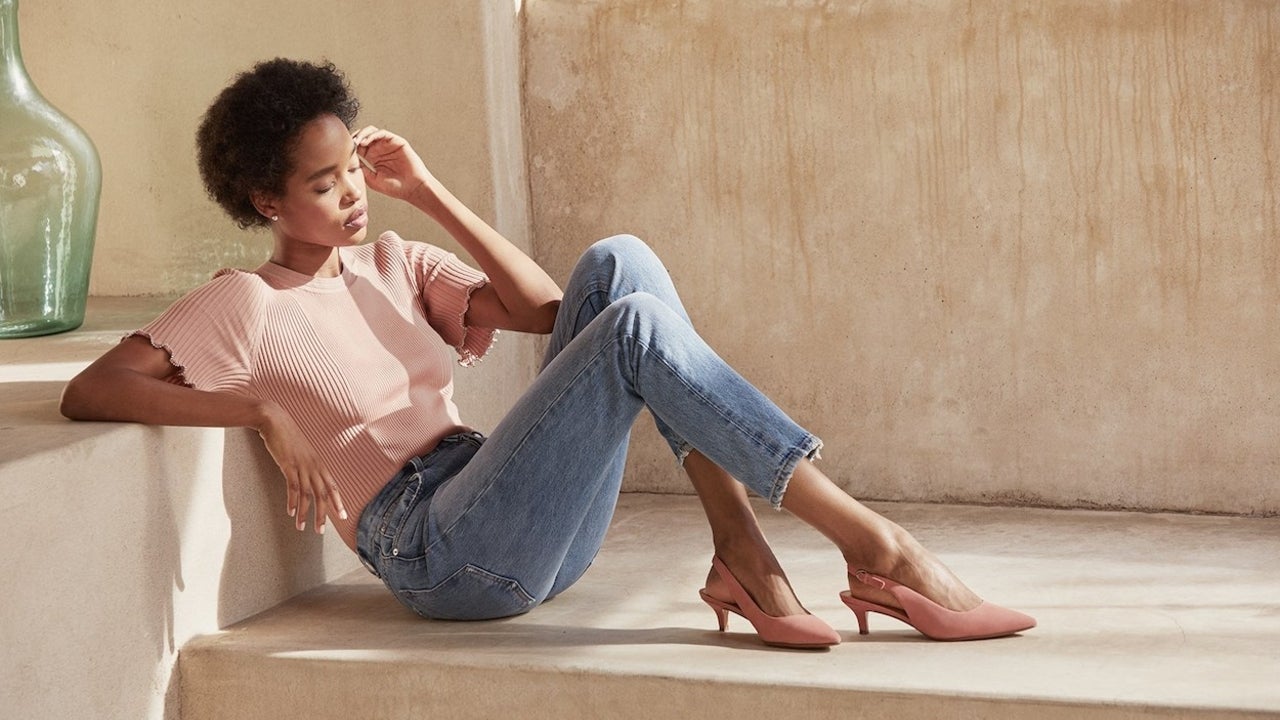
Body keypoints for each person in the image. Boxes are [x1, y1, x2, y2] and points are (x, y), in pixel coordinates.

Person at [60, 58, 1034, 648]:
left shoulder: (393, 260)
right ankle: (875, 548)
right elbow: (96, 390)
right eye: (323, 183)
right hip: (434, 550)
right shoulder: (244, 302)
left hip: (508, 510)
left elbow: (549, 310)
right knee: (635, 325)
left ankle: (740, 550)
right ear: (265, 201)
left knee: (622, 264)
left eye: (352, 165)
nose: (351, 192)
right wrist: (261, 410)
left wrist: (427, 192)